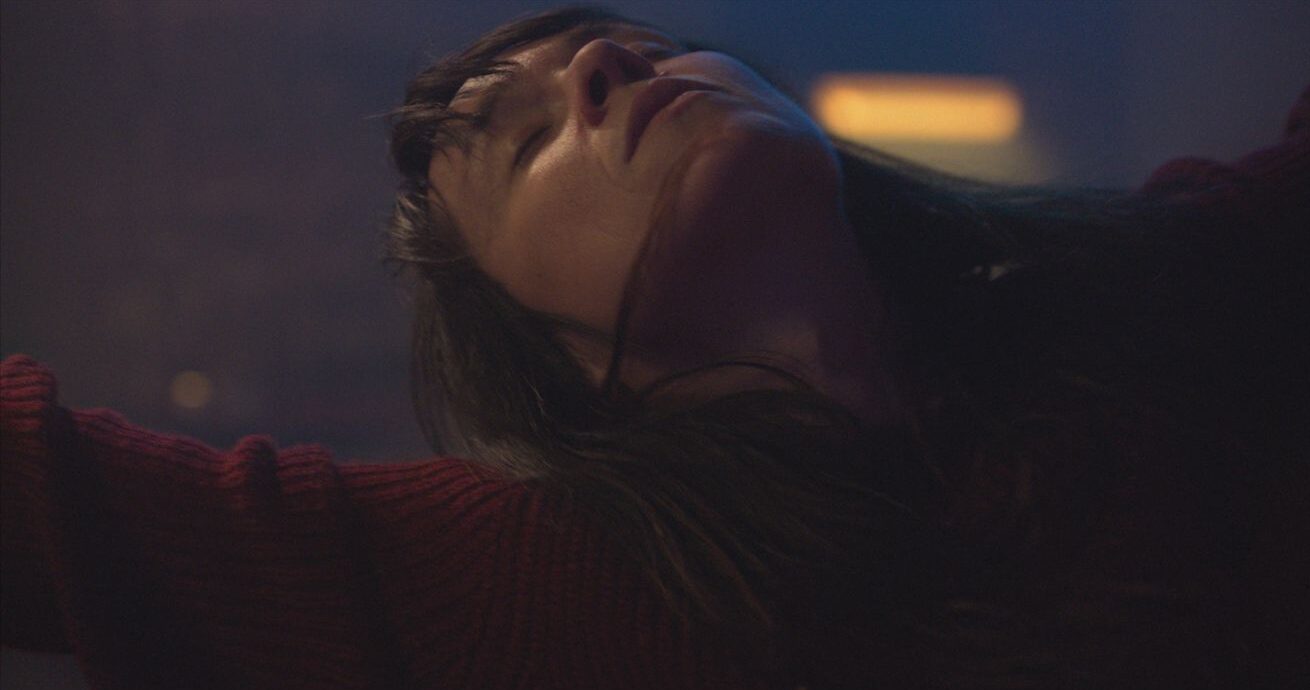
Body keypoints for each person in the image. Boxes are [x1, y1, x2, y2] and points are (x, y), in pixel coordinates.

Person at [3, 6, 1306, 689]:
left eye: (637, 46)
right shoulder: (538, 582)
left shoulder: (1149, 285)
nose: (607, 64)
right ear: (557, 363)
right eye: (528, 140)